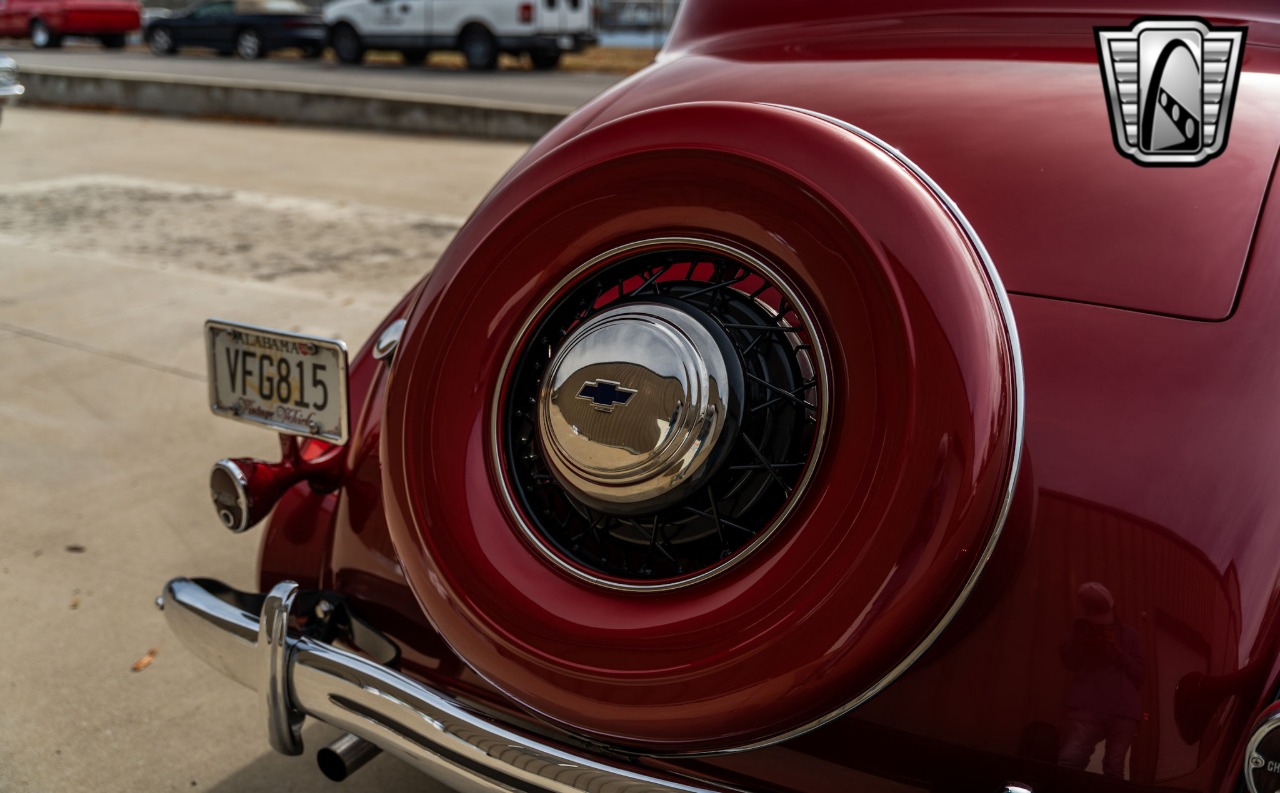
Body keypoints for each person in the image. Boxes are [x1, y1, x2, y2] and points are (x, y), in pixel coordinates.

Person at [1057, 582, 1144, 779]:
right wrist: (1085, 641)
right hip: (1088, 707)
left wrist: (1117, 649)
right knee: (1070, 760)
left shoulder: (1131, 635)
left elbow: (1140, 674)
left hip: (1123, 712)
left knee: (1114, 768)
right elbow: (1070, 662)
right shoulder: (1081, 630)